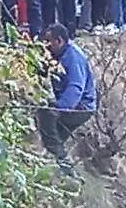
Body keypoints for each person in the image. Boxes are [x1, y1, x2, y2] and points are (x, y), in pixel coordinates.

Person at [38, 22, 97, 174]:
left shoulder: (72, 57)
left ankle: (62, 164)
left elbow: (76, 88)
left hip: (81, 107)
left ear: (59, 41)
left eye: (49, 42)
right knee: (56, 137)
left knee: (46, 115)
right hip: (78, 105)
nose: (46, 46)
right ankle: (60, 169)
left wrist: (59, 107)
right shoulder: (61, 54)